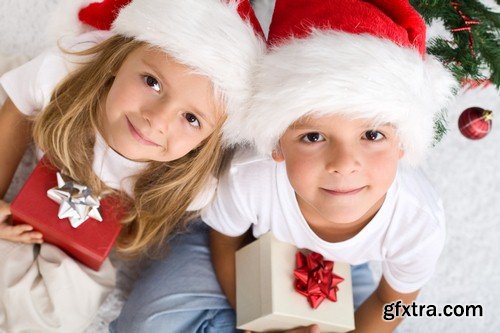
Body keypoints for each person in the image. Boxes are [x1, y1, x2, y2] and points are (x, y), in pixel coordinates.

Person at [0, 0, 264, 331]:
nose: (157, 120)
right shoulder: (62, 73)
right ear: (117, 59)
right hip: (49, 172)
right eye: (152, 82)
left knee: (60, 318)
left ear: (207, 141)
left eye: (191, 118)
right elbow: (16, 110)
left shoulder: (194, 185)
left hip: (89, 227)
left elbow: (142, 222)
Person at [204, 0, 457, 332]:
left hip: (347, 266)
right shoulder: (248, 177)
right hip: (245, 244)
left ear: (403, 144)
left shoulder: (417, 223)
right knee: (159, 319)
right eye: (313, 137)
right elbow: (225, 242)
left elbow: (391, 301)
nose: (344, 165)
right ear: (277, 144)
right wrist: (257, 318)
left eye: (371, 134)